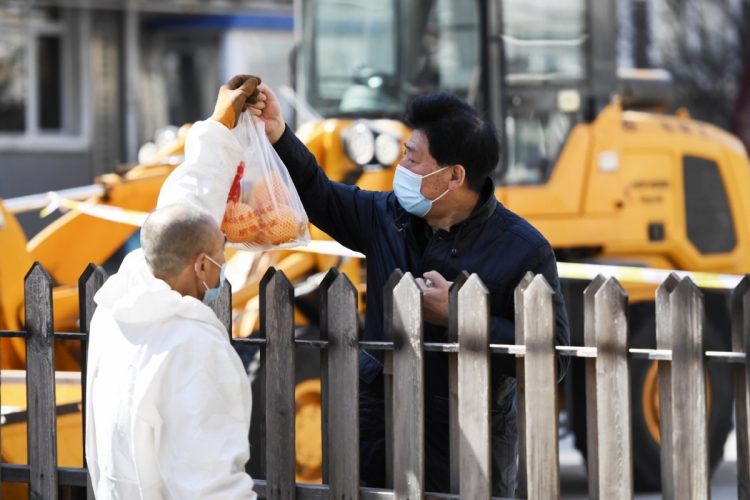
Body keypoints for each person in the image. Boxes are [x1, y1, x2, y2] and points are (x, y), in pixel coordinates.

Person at [248, 82, 570, 497]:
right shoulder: (388, 215)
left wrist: (461, 315)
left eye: (413, 159)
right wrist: (278, 133)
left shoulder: (523, 248)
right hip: (377, 429)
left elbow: (552, 358)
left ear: (454, 176)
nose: (401, 168)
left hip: (465, 443)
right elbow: (320, 194)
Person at [85, 76, 261, 500]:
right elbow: (213, 485)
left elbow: (182, 208)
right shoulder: (194, 345)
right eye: (220, 253)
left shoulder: (116, 307)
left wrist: (219, 125)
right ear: (201, 265)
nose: (223, 265)